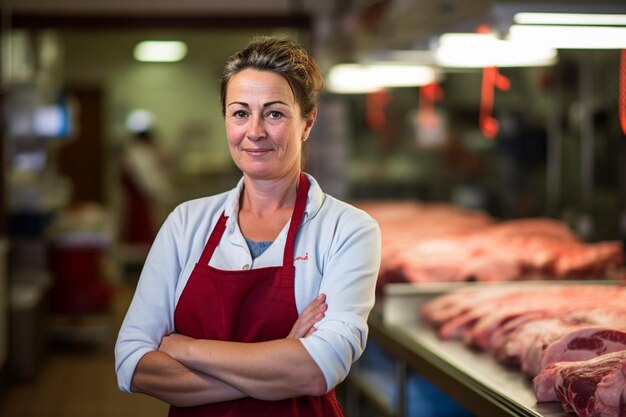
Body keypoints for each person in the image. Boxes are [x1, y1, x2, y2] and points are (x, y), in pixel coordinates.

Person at [114, 36, 382, 416]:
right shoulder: (186, 223)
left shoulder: (347, 229)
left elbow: (317, 370)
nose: (254, 131)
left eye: (274, 114)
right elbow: (132, 364)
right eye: (240, 113)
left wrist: (184, 348)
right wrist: (278, 361)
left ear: (307, 122)